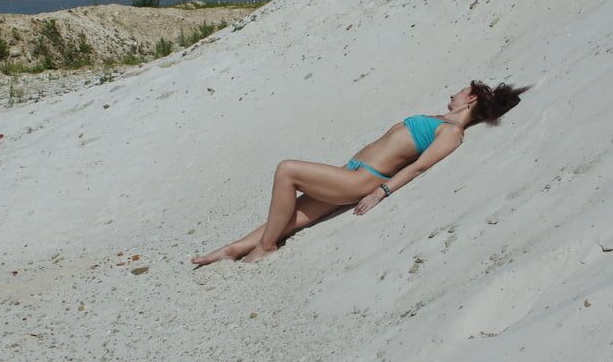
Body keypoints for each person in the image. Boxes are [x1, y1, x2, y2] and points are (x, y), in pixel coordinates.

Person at [191, 80, 530, 264]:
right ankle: (231, 250)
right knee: (290, 215)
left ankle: (266, 247)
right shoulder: (443, 122)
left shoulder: (452, 133)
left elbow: (420, 165)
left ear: (469, 99)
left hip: (361, 180)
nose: (451, 91)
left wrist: (379, 193)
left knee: (286, 170)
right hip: (351, 172)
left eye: (459, 89)